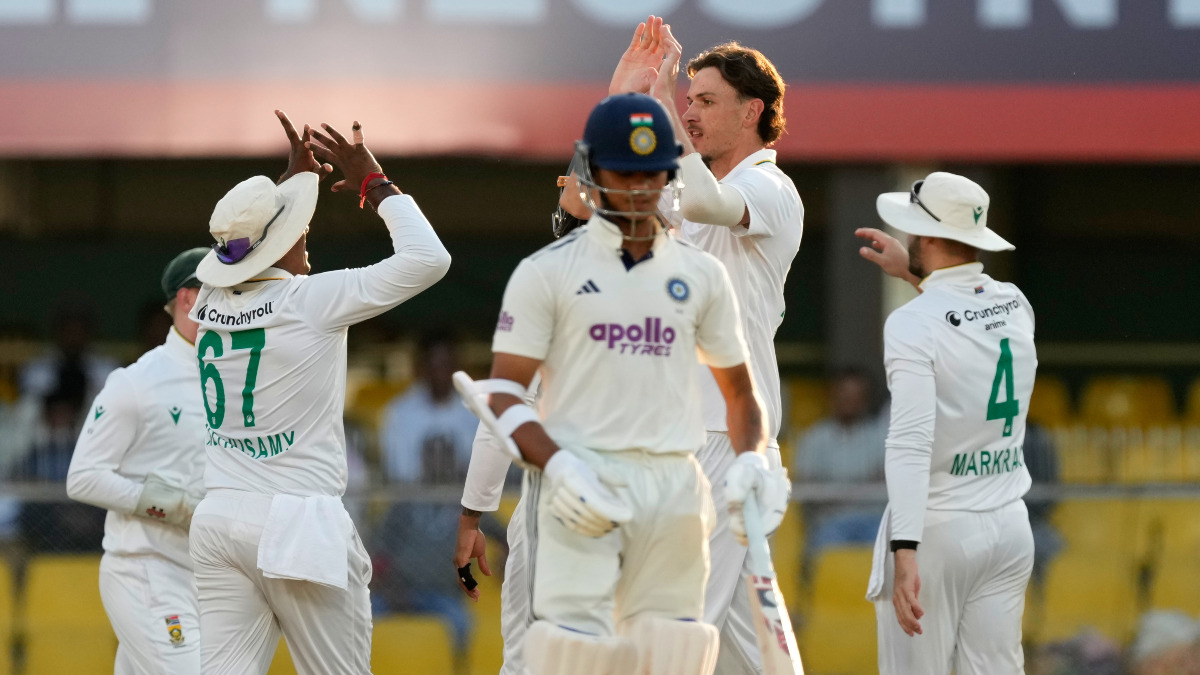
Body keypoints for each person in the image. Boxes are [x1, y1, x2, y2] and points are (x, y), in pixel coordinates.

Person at [459, 92, 788, 675]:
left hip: (675, 492)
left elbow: (741, 392)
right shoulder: (546, 273)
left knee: (674, 658)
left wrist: (752, 462)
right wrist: (560, 467)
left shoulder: (702, 274)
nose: (637, 187)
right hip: (580, 490)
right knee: (571, 658)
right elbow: (506, 395)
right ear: (591, 171)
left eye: (650, 173)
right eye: (621, 171)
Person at [186, 111, 451, 675]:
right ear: (278, 245)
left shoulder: (208, 304)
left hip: (218, 518)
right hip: (296, 522)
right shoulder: (311, 301)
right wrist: (374, 184)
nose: (305, 234)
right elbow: (430, 259)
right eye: (297, 230)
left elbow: (244, 251)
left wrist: (291, 188)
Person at [619, 18, 803, 675]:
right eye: (687, 100)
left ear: (752, 111)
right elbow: (598, 204)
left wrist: (659, 111)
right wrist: (624, 98)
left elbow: (703, 201)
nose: (689, 113)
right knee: (734, 638)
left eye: (704, 101)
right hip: (684, 432)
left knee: (680, 623)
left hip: (730, 435)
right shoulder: (689, 187)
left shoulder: (771, 190)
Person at [857, 172, 1036, 674]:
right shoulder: (1015, 303)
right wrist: (916, 276)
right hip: (1008, 525)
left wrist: (905, 550)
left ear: (929, 238)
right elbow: (967, 316)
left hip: (939, 529)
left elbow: (911, 441)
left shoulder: (912, 323)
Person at [65, 247, 209, 674]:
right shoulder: (136, 382)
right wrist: (178, 506)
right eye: (223, 291)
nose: (238, 302)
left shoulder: (235, 375)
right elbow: (84, 478)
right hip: (147, 572)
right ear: (187, 298)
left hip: (207, 578)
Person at [793, 369, 888, 555]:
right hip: (829, 521)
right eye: (845, 395)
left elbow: (887, 480)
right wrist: (862, 487)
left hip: (874, 520)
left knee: (891, 551)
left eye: (856, 396)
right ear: (833, 397)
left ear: (866, 400)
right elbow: (805, 486)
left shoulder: (883, 437)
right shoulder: (813, 438)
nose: (850, 402)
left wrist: (834, 491)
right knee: (826, 545)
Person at [379, 329, 479, 484]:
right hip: (414, 501)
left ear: (457, 366)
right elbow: (397, 472)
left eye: (446, 364)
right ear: (421, 367)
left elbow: (483, 472)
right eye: (435, 365)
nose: (441, 373)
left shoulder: (475, 410)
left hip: (465, 500)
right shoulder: (399, 412)